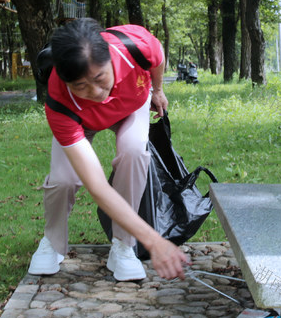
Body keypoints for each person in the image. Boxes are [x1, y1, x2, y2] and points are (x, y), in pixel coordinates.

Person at [29, 18, 189, 282]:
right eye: (80, 86)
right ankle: (52, 242)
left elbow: (157, 57)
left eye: (99, 78)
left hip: (129, 107)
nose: (94, 91)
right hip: (81, 121)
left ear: (109, 58)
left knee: (134, 151)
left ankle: (123, 246)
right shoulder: (59, 102)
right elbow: (98, 187)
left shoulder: (136, 45)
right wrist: (153, 240)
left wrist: (157, 90)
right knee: (63, 179)